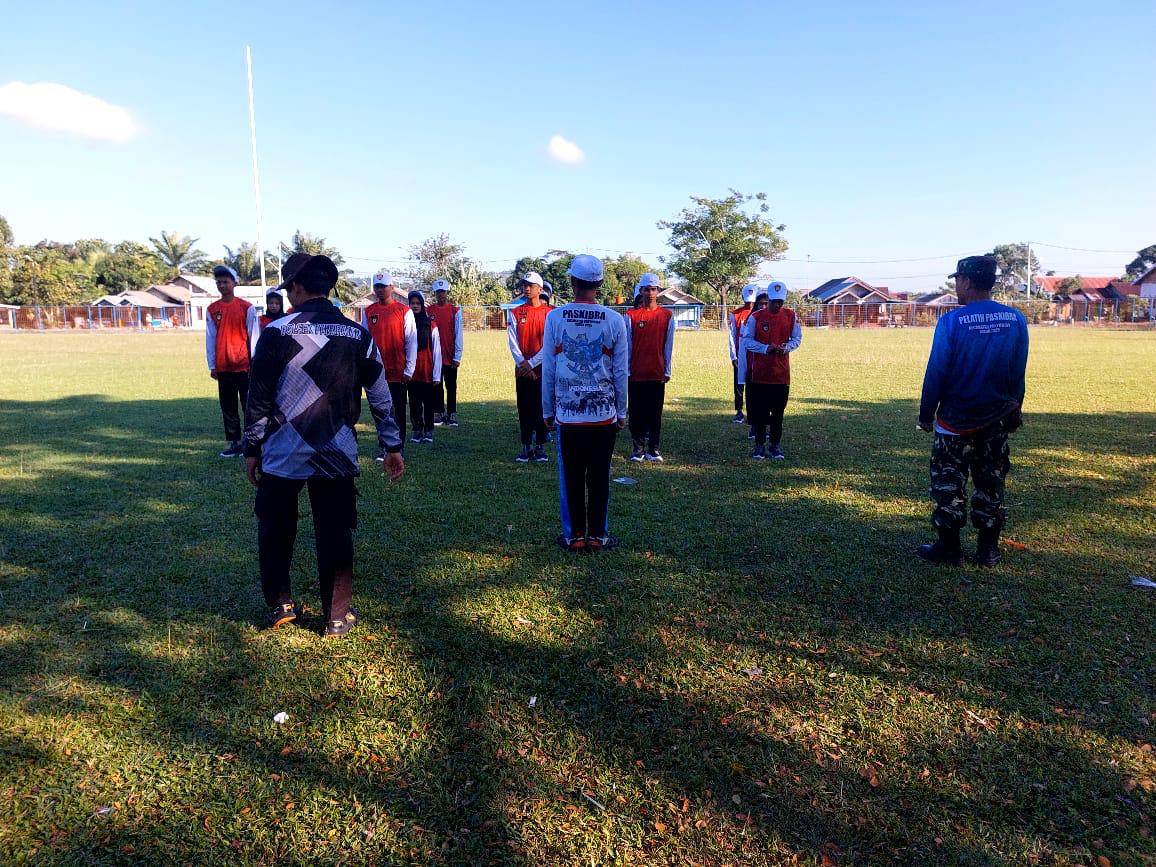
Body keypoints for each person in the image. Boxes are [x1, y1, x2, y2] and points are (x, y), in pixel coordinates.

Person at [243, 253, 405, 638]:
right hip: (337, 452)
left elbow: (258, 398)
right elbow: (381, 394)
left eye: (289, 289)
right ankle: (336, 616)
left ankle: (280, 604)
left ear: (297, 287)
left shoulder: (276, 333)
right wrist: (392, 444)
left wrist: (252, 448)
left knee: (275, 527)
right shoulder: (358, 334)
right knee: (334, 530)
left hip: (282, 453)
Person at [917, 255, 1029, 567]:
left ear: (966, 281)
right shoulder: (1016, 319)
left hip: (955, 422)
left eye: (957, 280)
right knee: (990, 483)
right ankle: (988, 551)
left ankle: (949, 548)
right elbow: (1018, 372)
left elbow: (936, 372)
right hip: (996, 420)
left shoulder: (952, 322)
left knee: (948, 484)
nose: (955, 286)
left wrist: (926, 415)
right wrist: (1014, 408)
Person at [541, 254, 629, 552]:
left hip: (568, 414)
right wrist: (622, 411)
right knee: (600, 477)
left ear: (572, 282)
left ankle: (574, 536)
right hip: (603, 414)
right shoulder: (615, 320)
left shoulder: (555, 317)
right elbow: (620, 371)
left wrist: (547, 410)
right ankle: (598, 536)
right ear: (601, 283)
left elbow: (549, 370)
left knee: (572, 477)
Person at [738, 281, 801, 460]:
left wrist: (786, 347)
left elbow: (797, 339)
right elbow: (747, 341)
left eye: (780, 302)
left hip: (781, 377)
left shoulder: (791, 316)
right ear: (769, 299)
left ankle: (775, 446)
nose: (777, 305)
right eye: (774, 302)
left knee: (778, 414)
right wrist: (766, 348)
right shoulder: (756, 317)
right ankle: (759, 446)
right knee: (760, 414)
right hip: (760, 376)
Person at [206, 264, 259, 458]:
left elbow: (254, 336)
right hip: (223, 367)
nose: (222, 285)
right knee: (228, 407)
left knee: (249, 407)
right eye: (219, 282)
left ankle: (250, 443)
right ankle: (234, 443)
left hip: (244, 367)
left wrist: (254, 363)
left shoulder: (247, 307)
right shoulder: (212, 309)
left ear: (234, 283)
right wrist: (212, 364)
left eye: (225, 282)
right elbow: (210, 338)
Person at [361, 270, 416, 455]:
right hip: (376, 371)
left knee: (398, 410)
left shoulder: (404, 311)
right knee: (380, 411)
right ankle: (384, 446)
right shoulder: (368, 311)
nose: (380, 290)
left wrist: (409, 368)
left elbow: (411, 341)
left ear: (392, 287)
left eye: (383, 286)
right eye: (377, 286)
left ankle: (398, 448)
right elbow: (365, 340)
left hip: (397, 370)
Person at [624, 272, 675, 462]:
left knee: (655, 414)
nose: (651, 293)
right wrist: (627, 370)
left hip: (656, 372)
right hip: (636, 373)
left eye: (654, 289)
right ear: (641, 291)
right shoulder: (631, 316)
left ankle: (653, 449)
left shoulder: (667, 315)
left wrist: (667, 370)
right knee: (636, 413)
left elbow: (668, 345)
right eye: (647, 289)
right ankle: (638, 449)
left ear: (658, 291)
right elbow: (627, 345)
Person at [508, 271, 553, 463]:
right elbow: (512, 340)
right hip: (523, 372)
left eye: (531, 285)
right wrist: (522, 364)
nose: (527, 288)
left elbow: (551, 344)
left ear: (540, 289)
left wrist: (532, 364)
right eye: (525, 285)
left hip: (543, 371)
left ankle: (540, 446)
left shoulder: (551, 313)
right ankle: (526, 446)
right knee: (524, 408)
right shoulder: (516, 312)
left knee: (542, 409)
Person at [406, 290, 442, 444]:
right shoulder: (406, 324)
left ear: (422, 305)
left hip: (426, 370)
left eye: (417, 303)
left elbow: (437, 350)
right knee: (414, 403)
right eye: (412, 303)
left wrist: (436, 374)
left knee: (428, 403)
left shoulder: (430, 324)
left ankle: (428, 430)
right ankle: (417, 429)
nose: (415, 306)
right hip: (411, 372)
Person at [428, 278, 463, 427]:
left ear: (447, 292)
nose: (441, 294)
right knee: (436, 384)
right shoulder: (429, 310)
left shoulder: (455, 310)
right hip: (434, 356)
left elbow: (458, 334)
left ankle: (452, 413)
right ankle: (438, 412)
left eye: (443, 292)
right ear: (435, 293)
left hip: (450, 355)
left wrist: (457, 356)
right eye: (438, 292)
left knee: (451, 385)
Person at [727, 284, 759, 424]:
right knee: (738, 384)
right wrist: (733, 356)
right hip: (741, 353)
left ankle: (754, 412)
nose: (750, 304)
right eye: (747, 301)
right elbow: (731, 336)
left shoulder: (760, 313)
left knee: (754, 384)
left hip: (756, 354)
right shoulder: (735, 314)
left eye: (752, 301)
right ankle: (739, 411)